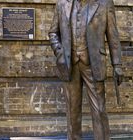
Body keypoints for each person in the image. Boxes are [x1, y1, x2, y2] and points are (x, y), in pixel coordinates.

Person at [48, 0, 123, 139]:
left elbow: (113, 36)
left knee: (99, 109)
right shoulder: (62, 4)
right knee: (72, 110)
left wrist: (117, 64)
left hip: (93, 64)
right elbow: (53, 33)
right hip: (69, 64)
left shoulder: (105, 4)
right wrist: (60, 52)